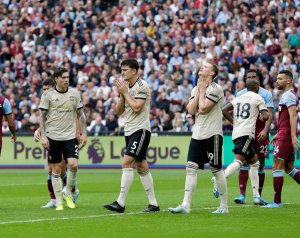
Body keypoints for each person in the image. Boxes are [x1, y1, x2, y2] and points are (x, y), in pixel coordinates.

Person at [168, 61, 228, 214]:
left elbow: (203, 108)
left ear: (212, 73)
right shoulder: (196, 88)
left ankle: (224, 205)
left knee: (216, 170)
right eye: (202, 66)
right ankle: (185, 205)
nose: (202, 67)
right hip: (198, 134)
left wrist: (201, 91)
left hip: (212, 134)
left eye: (206, 66)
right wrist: (199, 90)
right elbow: (190, 109)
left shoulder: (216, 89)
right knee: (190, 169)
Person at [104, 58, 160, 213]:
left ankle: (120, 203)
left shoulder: (142, 86)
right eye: (121, 69)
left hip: (140, 130)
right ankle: (154, 204)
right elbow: (119, 111)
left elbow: (136, 107)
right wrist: (122, 95)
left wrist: (126, 93)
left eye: (125, 69)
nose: (122, 72)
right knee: (141, 166)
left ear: (134, 71)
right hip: (129, 130)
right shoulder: (126, 87)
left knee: (127, 162)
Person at [39, 67, 87, 211]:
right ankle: (58, 202)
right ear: (57, 79)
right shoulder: (48, 95)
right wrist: (43, 135)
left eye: (67, 77)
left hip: (70, 136)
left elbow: (81, 115)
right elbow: (41, 117)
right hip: (53, 136)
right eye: (64, 77)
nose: (66, 80)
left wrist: (83, 133)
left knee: (73, 165)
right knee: (55, 169)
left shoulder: (74, 94)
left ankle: (68, 192)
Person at [221, 78, 269, 206]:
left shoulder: (238, 98)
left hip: (236, 133)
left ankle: (256, 197)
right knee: (239, 161)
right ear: (257, 87)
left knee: (255, 164)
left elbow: (224, 110)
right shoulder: (258, 98)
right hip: (247, 134)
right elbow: (266, 116)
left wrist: (234, 122)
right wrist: (261, 115)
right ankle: (219, 178)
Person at [233, 69, 273, 204]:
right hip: (246, 131)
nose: (251, 78)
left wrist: (266, 130)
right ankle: (242, 195)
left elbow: (269, 114)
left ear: (258, 80)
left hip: (260, 131)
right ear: (245, 79)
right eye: (248, 77)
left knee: (260, 163)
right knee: (244, 161)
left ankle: (258, 196)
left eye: (253, 76)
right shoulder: (240, 94)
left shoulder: (266, 94)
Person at [262, 70, 300, 208]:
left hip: (287, 135)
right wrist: (279, 133)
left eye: (280, 79)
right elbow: (285, 118)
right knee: (289, 168)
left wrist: (292, 136)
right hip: (283, 133)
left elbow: (293, 116)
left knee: (276, 166)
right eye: (277, 78)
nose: (277, 81)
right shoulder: (286, 96)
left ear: (288, 81)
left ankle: (276, 202)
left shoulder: (289, 96)